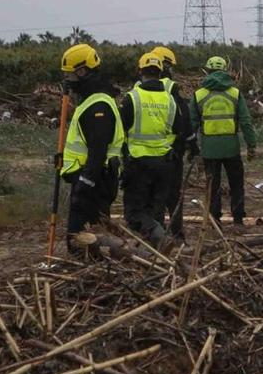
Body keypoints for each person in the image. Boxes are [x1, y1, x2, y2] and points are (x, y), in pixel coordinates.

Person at [58, 44, 124, 241]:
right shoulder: (90, 100)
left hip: (95, 181)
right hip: (90, 178)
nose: (67, 81)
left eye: (70, 76)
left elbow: (98, 150)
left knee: (82, 239)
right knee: (86, 237)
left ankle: (101, 265)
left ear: (82, 71)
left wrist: (85, 183)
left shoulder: (98, 106)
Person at [118, 51, 180, 246]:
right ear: (161, 73)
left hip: (138, 163)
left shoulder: (132, 98)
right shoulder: (170, 100)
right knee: (156, 210)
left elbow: (120, 130)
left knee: (134, 213)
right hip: (164, 163)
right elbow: (178, 129)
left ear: (140, 72)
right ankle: (157, 253)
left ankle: (158, 238)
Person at [196, 55, 257, 225]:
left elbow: (192, 124)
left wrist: (193, 149)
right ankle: (238, 218)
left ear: (207, 71)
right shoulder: (235, 93)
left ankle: (215, 219)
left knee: (212, 186)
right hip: (232, 148)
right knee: (236, 184)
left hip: (209, 149)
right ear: (225, 71)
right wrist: (251, 145)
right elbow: (245, 121)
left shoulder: (199, 95)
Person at [152, 46, 196, 238]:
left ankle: (156, 232)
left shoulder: (137, 90)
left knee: (153, 196)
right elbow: (184, 119)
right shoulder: (170, 89)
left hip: (143, 154)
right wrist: (192, 144)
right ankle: (176, 233)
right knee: (173, 194)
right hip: (170, 152)